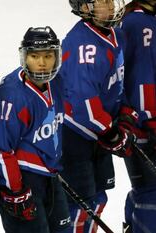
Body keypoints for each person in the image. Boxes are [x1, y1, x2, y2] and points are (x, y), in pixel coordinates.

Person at [60, 0, 136, 232]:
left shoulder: (117, 35)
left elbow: (117, 85)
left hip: (99, 131)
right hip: (75, 133)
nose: (111, 6)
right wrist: (111, 132)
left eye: (110, 0)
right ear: (85, 8)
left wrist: (124, 115)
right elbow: (84, 105)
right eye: (102, 1)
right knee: (79, 205)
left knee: (98, 199)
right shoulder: (83, 45)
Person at [0, 26, 70, 233]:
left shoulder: (57, 82)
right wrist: (15, 191)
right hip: (24, 179)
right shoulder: (12, 94)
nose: (42, 63)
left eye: (48, 56)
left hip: (49, 176)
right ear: (25, 57)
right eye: (34, 56)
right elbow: (1, 149)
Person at [121, 0, 156, 232]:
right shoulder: (138, 22)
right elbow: (142, 78)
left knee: (145, 191)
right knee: (150, 195)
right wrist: (150, 120)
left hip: (143, 121)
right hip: (142, 125)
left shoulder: (147, 19)